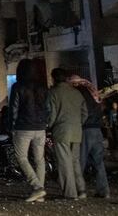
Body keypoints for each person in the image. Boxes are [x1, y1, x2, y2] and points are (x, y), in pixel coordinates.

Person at [8, 58, 49, 203]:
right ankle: (40, 193)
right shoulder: (43, 87)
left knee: (22, 158)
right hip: (40, 127)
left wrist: (11, 127)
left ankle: (37, 187)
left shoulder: (17, 87)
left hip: (23, 127)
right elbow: (47, 108)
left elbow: (14, 109)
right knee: (40, 159)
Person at [47, 67, 87, 200]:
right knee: (75, 161)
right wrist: (78, 123)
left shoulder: (53, 92)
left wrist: (49, 126)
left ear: (54, 78)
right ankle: (81, 189)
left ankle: (70, 193)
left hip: (61, 130)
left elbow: (51, 114)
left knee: (64, 162)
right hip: (77, 130)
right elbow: (84, 113)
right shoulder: (76, 93)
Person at [70, 75, 109, 198]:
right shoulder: (92, 91)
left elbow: (81, 112)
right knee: (98, 162)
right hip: (97, 129)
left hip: (86, 129)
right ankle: (104, 191)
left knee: (80, 161)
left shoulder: (80, 93)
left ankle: (79, 190)